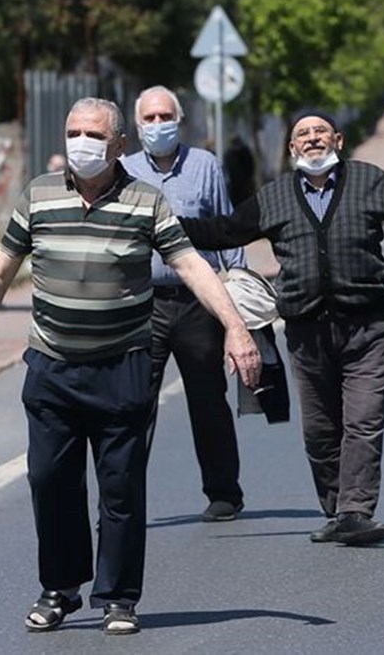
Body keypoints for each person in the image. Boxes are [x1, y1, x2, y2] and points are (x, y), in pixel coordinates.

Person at [0, 97, 260, 634]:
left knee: (120, 486)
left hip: (122, 367)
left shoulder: (146, 200)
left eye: (93, 135)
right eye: (73, 132)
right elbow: (0, 271)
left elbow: (190, 265)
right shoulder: (39, 195)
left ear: (119, 145)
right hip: (51, 366)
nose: (81, 143)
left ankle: (118, 596)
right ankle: (60, 588)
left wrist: (235, 326)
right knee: (50, 480)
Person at [178, 109, 384, 546]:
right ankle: (335, 509)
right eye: (302, 133)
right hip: (307, 333)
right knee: (320, 431)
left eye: (320, 131)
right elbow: (222, 231)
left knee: (363, 421)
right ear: (291, 148)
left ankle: (356, 510)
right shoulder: (274, 196)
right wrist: (157, 223)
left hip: (368, 326)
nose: (312, 138)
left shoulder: (369, 181)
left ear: (338, 140)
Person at [122, 85, 248, 523]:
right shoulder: (122, 170)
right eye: (150, 119)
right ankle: (124, 498)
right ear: (137, 127)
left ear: (180, 120)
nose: (158, 125)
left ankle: (224, 492)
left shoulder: (205, 165)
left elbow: (226, 227)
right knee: (134, 404)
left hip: (197, 303)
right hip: (143, 305)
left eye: (165, 117)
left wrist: (238, 301)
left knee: (209, 399)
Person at [224, 134, 258, 207]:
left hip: (241, 186)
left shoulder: (243, 153)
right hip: (236, 187)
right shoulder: (229, 154)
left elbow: (250, 167)